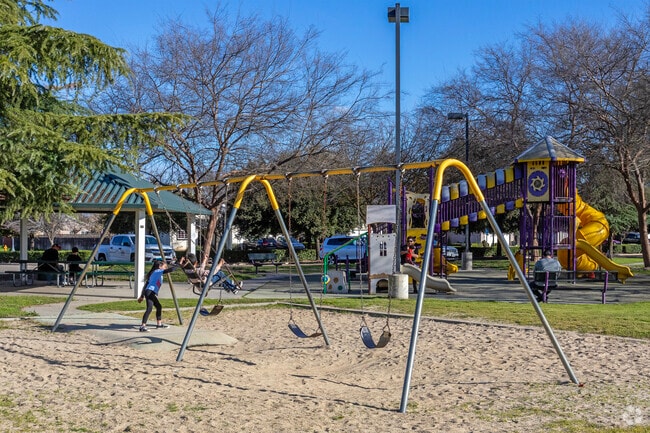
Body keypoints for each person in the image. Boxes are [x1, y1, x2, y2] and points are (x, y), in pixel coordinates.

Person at [138, 260, 179, 332]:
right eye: (164, 266)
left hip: (150, 292)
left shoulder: (155, 273)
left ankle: (159, 324)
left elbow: (146, 285)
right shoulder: (157, 271)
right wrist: (179, 265)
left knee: (158, 306)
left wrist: (142, 296)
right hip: (150, 292)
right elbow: (171, 269)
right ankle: (142, 326)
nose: (165, 267)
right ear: (160, 267)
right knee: (149, 309)